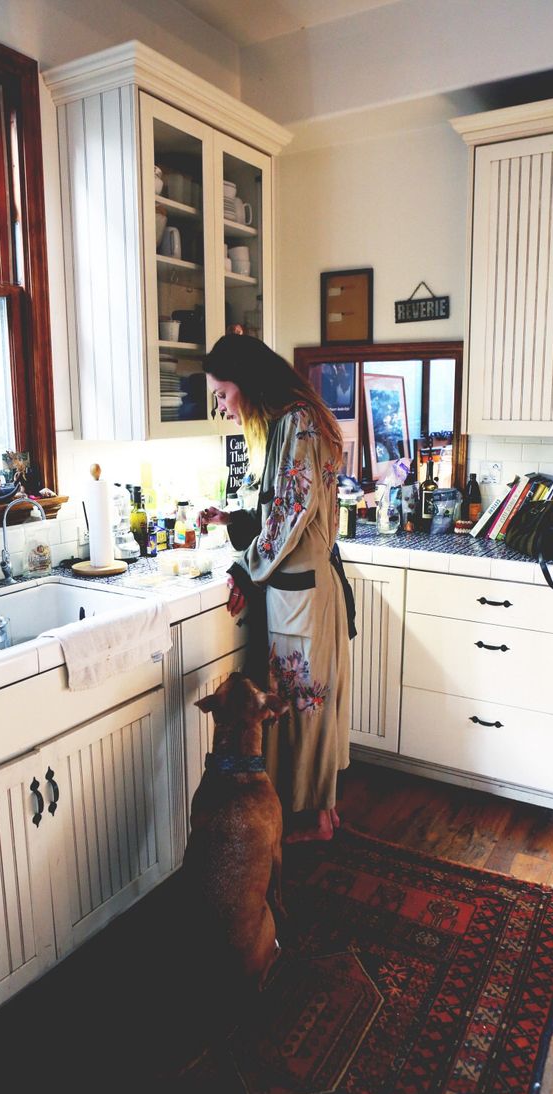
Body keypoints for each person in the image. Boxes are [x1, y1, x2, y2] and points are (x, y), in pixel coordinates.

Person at [199, 334, 352, 843]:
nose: (222, 408)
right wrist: (240, 523)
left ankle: (310, 821)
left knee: (300, 707)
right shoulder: (297, 419)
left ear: (248, 382)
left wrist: (244, 570)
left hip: (302, 595)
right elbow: (288, 513)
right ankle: (321, 815)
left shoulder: (298, 423)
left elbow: (288, 516)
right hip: (302, 589)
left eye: (223, 394)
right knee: (308, 705)